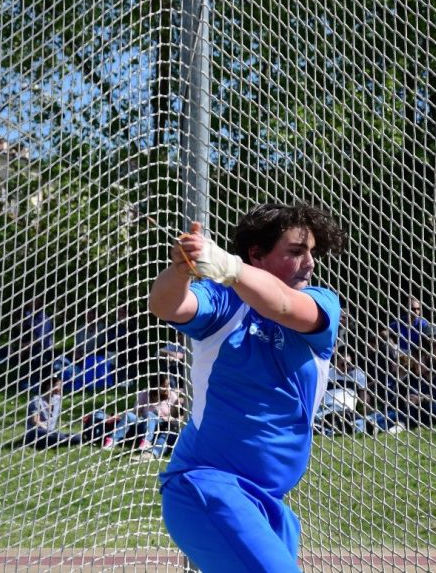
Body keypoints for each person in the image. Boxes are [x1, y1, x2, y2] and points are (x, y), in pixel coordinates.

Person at [148, 203, 346, 572]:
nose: (309, 263)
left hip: (268, 503)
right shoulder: (223, 301)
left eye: (311, 252)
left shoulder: (321, 302)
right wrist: (179, 271)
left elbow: (282, 304)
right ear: (256, 253)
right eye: (295, 251)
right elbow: (167, 306)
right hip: (208, 486)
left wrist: (229, 266)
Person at [23, 375, 83, 449]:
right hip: (35, 433)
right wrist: (49, 431)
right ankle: (60, 439)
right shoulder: (36, 400)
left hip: (51, 433)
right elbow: (35, 421)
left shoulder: (57, 399)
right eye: (58, 386)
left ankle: (61, 440)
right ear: (49, 386)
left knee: (78, 437)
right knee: (59, 437)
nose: (61, 388)